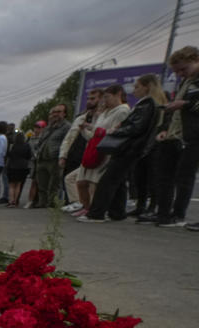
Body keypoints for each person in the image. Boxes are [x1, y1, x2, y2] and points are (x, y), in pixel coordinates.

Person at [79, 75, 164, 223]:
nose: (134, 90)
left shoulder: (147, 104)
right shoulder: (145, 104)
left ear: (147, 87)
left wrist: (116, 130)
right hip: (131, 148)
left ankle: (96, 214)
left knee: (108, 180)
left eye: (137, 86)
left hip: (129, 147)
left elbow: (137, 127)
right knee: (118, 181)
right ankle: (117, 212)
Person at [150, 46, 199, 229]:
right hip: (173, 133)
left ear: (196, 60)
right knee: (164, 175)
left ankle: (178, 215)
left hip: (192, 135)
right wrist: (164, 128)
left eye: (183, 69)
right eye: (177, 71)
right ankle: (163, 213)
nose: (180, 74)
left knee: (184, 176)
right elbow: (173, 110)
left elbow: (189, 105)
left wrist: (185, 104)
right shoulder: (185, 82)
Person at [69, 86, 129, 217]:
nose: (104, 101)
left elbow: (116, 133)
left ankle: (98, 210)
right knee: (81, 182)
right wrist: (84, 130)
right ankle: (87, 207)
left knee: (96, 183)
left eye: (107, 97)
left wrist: (96, 130)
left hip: (105, 153)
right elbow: (93, 136)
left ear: (117, 95)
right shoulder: (104, 113)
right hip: (93, 150)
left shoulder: (122, 111)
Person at [59, 89, 102, 212]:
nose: (89, 101)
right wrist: (63, 155)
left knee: (91, 184)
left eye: (93, 98)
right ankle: (79, 204)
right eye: (88, 98)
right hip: (80, 155)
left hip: (96, 155)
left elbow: (97, 136)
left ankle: (90, 209)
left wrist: (88, 128)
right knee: (71, 179)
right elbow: (69, 138)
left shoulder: (102, 117)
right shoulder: (81, 118)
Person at [32, 103, 71, 208]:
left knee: (54, 184)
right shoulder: (49, 127)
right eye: (54, 112)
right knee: (41, 183)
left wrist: (63, 156)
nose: (55, 114)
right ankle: (42, 202)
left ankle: (52, 203)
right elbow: (41, 140)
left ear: (64, 114)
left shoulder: (67, 127)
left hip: (54, 159)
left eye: (59, 112)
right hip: (42, 158)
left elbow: (67, 142)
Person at [5, 130, 32, 207]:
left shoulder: (12, 145)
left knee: (11, 185)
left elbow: (8, 154)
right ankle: (15, 201)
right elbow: (29, 156)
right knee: (18, 185)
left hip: (13, 166)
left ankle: (11, 201)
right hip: (23, 167)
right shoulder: (27, 145)